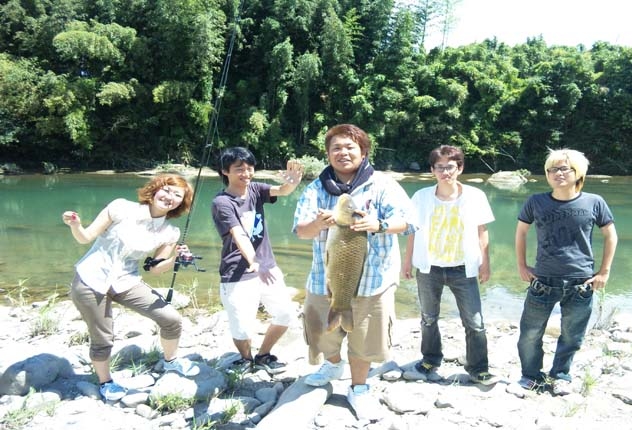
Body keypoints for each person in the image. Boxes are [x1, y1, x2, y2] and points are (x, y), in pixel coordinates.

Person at [293, 124, 415, 421]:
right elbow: (301, 231)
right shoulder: (315, 188)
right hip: (324, 279)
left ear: (363, 151)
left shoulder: (383, 184)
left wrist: (379, 225)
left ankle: (359, 388)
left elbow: (409, 222)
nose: (343, 153)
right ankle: (333, 364)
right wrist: (319, 224)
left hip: (375, 281)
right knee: (320, 333)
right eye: (336, 148)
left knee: (365, 339)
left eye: (350, 147)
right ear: (328, 153)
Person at [62, 174, 200, 402]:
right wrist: (75, 225)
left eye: (177, 195)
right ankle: (105, 382)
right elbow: (85, 238)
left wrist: (176, 258)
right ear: (155, 190)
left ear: (181, 203)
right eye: (166, 190)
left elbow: (155, 269)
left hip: (127, 281)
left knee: (171, 319)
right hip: (90, 279)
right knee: (103, 338)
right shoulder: (120, 208)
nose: (170, 197)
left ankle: (171, 361)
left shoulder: (170, 232)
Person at [515, 148, 618, 396]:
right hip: (543, 280)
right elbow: (521, 232)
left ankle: (560, 375)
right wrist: (521, 265)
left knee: (572, 336)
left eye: (564, 168)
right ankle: (530, 375)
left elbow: (611, 235)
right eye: (552, 169)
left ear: (578, 173)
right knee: (530, 334)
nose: (557, 173)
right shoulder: (536, 201)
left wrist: (604, 272)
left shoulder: (594, 202)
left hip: (581, 282)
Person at [401, 145, 498, 385]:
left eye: (451, 167)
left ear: (460, 168)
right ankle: (430, 359)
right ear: (433, 170)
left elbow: (482, 231)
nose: (446, 172)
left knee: (475, 322)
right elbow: (412, 230)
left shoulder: (475, 196)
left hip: (463, 268)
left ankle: (478, 367)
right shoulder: (421, 196)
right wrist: (407, 261)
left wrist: (485, 263)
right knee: (428, 318)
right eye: (440, 167)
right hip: (429, 267)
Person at [212, 147, 304, 375]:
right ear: (225, 171)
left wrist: (292, 183)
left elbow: (282, 190)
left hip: (267, 266)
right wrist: (253, 261)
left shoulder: (255, 189)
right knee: (241, 326)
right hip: (237, 272)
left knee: (285, 313)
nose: (246, 173)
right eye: (239, 169)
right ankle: (245, 359)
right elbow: (238, 233)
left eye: (249, 168)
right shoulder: (222, 202)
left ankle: (263, 355)